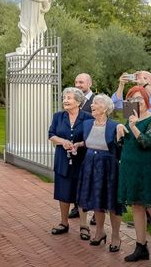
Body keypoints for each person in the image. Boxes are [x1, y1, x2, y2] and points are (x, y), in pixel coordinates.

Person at [116, 86, 151, 267]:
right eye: (132, 100)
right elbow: (125, 146)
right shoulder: (129, 120)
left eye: (140, 99)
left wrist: (133, 127)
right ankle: (141, 248)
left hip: (148, 171)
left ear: (146, 100)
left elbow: (147, 143)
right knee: (137, 207)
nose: (136, 102)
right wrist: (119, 131)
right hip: (130, 170)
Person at [113, 71, 151, 232]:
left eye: (145, 77)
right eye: (138, 77)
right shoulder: (134, 100)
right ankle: (145, 218)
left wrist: (144, 86)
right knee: (139, 182)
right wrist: (121, 84)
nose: (140, 80)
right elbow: (118, 105)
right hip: (135, 144)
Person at [75, 94, 125, 251]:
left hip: (108, 166)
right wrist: (79, 144)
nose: (92, 105)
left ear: (105, 108)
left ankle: (116, 236)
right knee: (97, 200)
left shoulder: (115, 126)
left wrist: (120, 135)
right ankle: (99, 232)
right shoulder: (87, 124)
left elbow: (120, 148)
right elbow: (90, 141)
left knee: (112, 202)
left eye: (96, 103)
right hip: (90, 164)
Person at [48, 87, 94, 240]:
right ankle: (63, 223)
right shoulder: (58, 116)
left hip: (81, 160)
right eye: (64, 98)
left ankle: (84, 225)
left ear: (78, 102)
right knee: (63, 191)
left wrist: (80, 144)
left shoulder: (88, 118)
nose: (65, 100)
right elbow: (51, 135)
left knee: (82, 192)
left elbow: (92, 138)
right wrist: (62, 141)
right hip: (62, 158)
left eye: (69, 98)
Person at [69, 73, 95, 221]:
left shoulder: (95, 100)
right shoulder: (73, 99)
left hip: (91, 146)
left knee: (92, 179)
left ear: (89, 84)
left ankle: (96, 211)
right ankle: (77, 206)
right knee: (76, 178)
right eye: (76, 82)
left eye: (81, 82)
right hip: (75, 146)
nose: (78, 85)